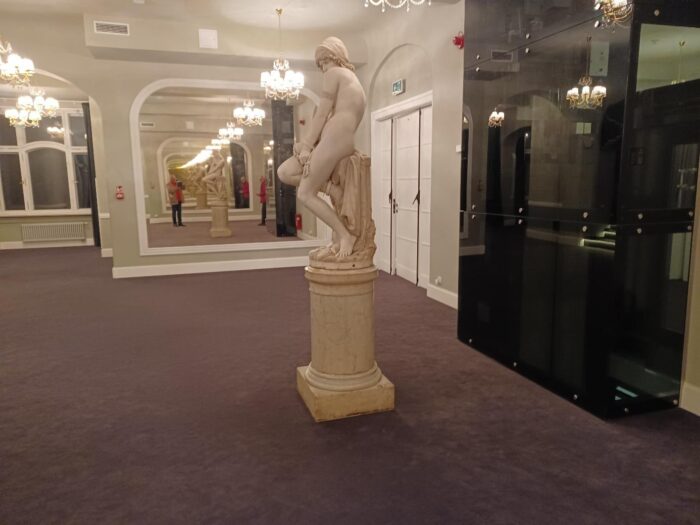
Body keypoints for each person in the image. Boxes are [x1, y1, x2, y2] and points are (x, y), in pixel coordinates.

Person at [277, 37, 365, 257]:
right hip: (332, 137)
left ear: (336, 58)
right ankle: (331, 190)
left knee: (305, 193)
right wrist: (307, 143)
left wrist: (307, 146)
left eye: (325, 61)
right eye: (320, 64)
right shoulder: (351, 81)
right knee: (284, 172)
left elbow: (323, 113)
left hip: (336, 138)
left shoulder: (335, 74)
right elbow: (326, 115)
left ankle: (345, 236)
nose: (323, 68)